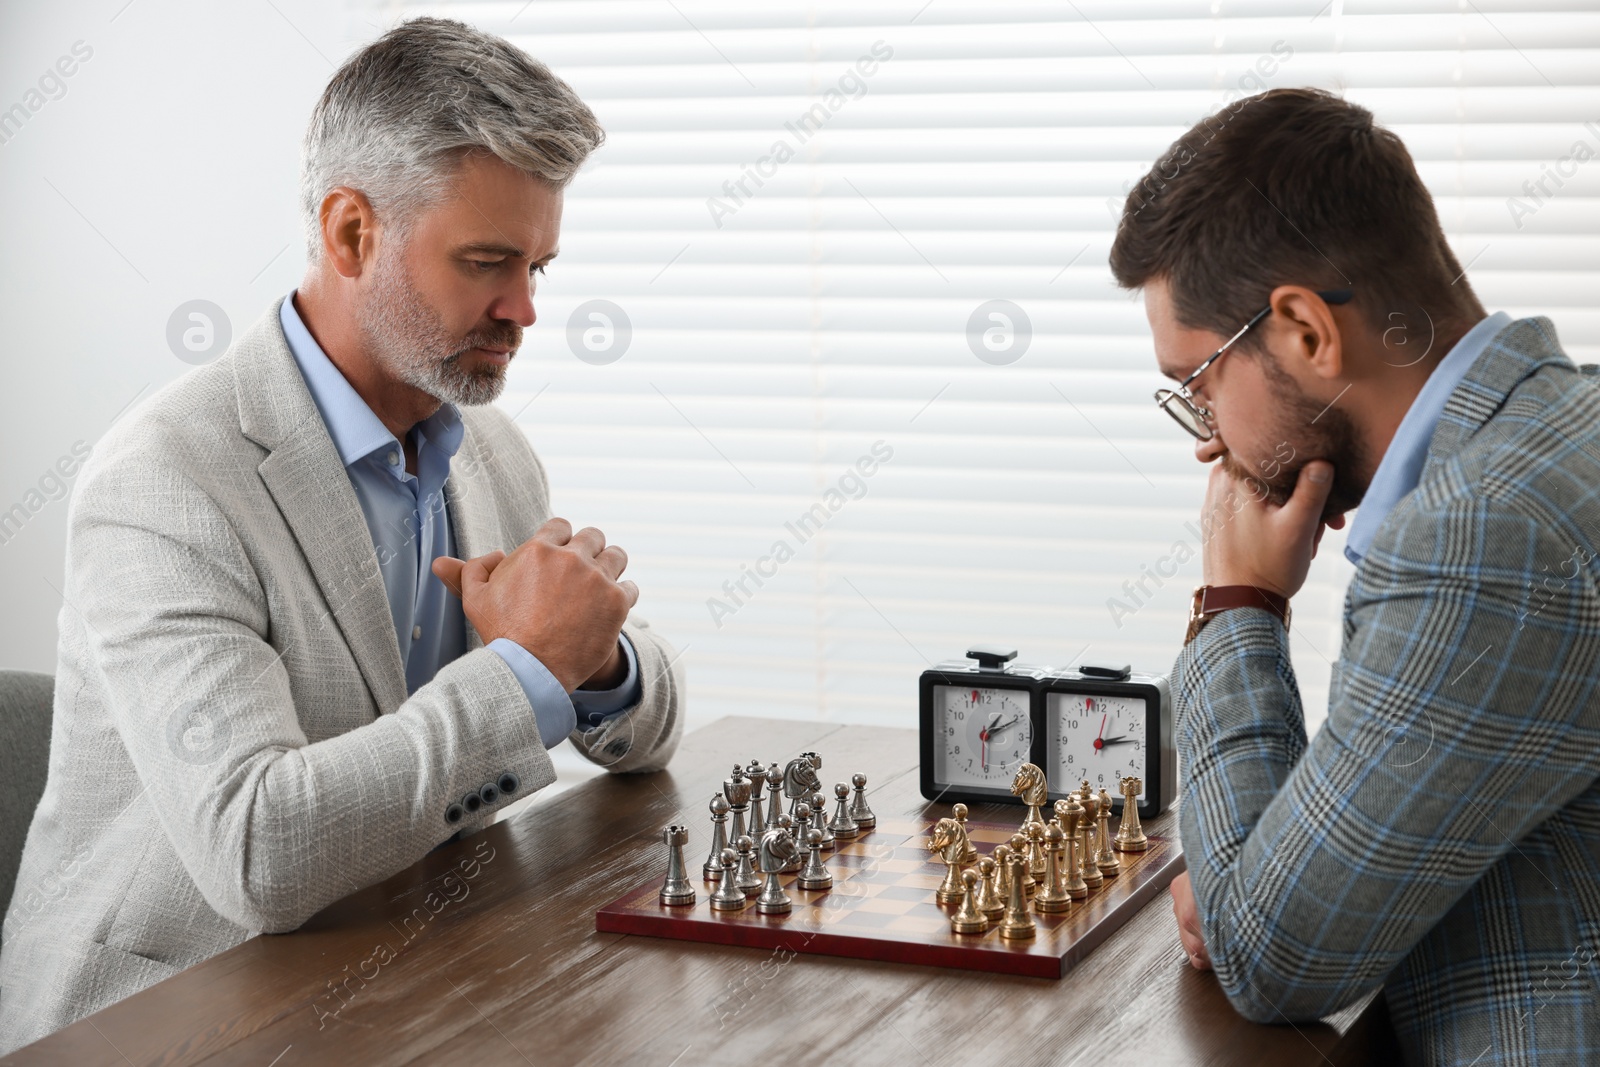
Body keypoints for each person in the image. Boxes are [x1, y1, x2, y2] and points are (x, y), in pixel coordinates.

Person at [0, 18, 684, 1052]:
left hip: (417, 978)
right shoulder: (164, 483)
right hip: (173, 1014)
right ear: (351, 231)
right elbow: (258, 848)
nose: (525, 310)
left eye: (539, 267)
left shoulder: (493, 449)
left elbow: (647, 726)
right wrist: (527, 664)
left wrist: (598, 661)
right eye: (489, 262)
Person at [1110, 87, 1600, 1064]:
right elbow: (1336, 856)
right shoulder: (1560, 430)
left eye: (1198, 383)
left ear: (1302, 328)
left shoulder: (1478, 535)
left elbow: (1268, 954)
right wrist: (1270, 873)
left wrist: (1234, 604)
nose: (1209, 440)